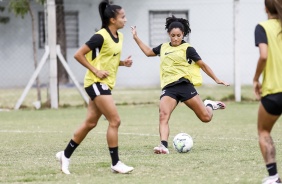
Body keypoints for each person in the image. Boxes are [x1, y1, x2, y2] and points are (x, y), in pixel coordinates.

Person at [131, 15, 229, 154]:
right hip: (169, 89)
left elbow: (202, 65)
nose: (176, 38)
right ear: (168, 35)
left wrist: (216, 79)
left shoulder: (188, 49)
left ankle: (209, 105)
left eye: (178, 35)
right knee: (163, 115)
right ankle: (163, 146)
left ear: (183, 34)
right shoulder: (163, 47)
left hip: (184, 86)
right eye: (173, 35)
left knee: (206, 118)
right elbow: (148, 52)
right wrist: (136, 37)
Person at [55, 0, 134, 174]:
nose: (125, 20)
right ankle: (115, 163)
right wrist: (95, 71)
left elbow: (108, 59)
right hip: (96, 83)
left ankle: (65, 155)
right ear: (112, 20)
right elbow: (78, 55)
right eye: (123, 17)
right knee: (115, 121)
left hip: (105, 84)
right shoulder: (100, 36)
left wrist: (122, 63)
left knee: (90, 123)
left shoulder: (119, 37)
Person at [253, 0, 282, 183]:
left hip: (274, 91)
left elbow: (264, 55)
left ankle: (273, 178)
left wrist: (256, 78)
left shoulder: (262, 27)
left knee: (264, 131)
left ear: (265, 8)